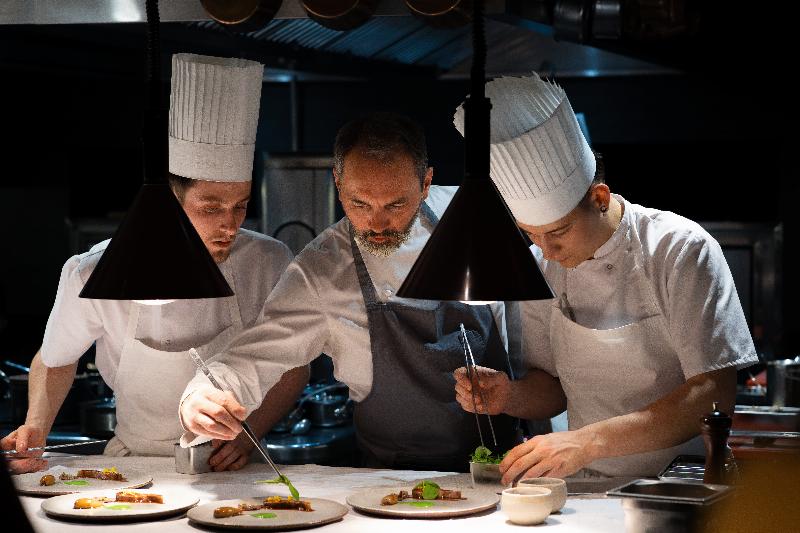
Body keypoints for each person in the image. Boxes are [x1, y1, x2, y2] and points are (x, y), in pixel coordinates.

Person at [1, 53, 307, 473]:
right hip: (134, 466)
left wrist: (251, 431)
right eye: (210, 207)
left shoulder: (269, 262)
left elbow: (294, 365)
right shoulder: (95, 272)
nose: (230, 224)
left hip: (233, 465)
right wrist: (35, 427)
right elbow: (55, 358)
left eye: (241, 205)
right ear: (170, 202)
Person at [178, 112, 525, 472]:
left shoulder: (475, 224)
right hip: (390, 482)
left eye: (396, 205)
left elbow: (530, 347)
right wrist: (201, 396)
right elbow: (253, 356)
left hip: (504, 469)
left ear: (426, 183)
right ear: (338, 183)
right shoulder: (321, 271)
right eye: (360, 204)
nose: (377, 223)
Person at [451, 74, 758, 481]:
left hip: (677, 484)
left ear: (599, 199)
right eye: (532, 234)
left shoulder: (680, 250)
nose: (546, 251)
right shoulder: (540, 264)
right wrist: (509, 395)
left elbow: (713, 395)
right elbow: (553, 387)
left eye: (557, 232)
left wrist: (587, 441)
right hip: (584, 485)